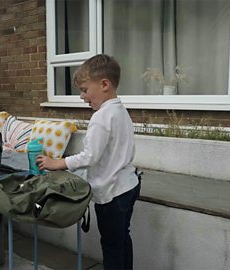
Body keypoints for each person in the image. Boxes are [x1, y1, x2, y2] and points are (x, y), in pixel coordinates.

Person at [36, 54, 141, 270]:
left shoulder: (101, 117)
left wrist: (57, 163)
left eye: (84, 90)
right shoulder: (121, 111)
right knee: (122, 238)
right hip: (129, 186)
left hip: (111, 194)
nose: (82, 97)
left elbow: (89, 156)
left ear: (104, 84)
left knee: (111, 246)